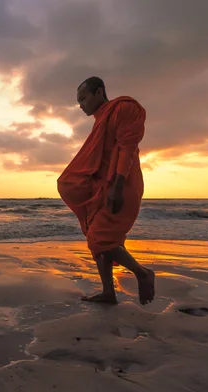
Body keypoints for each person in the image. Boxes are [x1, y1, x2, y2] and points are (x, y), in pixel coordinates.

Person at [57, 77, 155, 305]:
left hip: (122, 185)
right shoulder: (100, 120)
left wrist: (118, 187)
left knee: (100, 238)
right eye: (78, 100)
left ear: (99, 92)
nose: (80, 104)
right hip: (103, 186)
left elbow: (126, 149)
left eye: (83, 98)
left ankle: (142, 273)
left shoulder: (124, 108)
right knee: (96, 236)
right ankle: (108, 293)